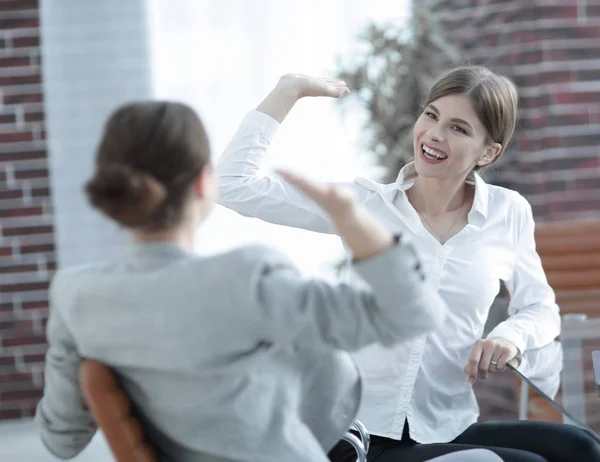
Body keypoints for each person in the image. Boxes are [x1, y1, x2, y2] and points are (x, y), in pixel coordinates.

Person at [34, 100, 505, 462]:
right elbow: (414, 314)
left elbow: (60, 441)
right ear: (204, 184)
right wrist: (354, 222)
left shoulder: (76, 296)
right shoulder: (246, 278)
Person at [216, 68, 600, 462]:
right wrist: (288, 92)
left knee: (582, 448)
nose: (434, 134)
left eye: (458, 128)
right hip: (360, 434)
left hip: (447, 424)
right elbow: (231, 185)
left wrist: (511, 336)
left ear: (488, 153)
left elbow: (541, 308)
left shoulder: (508, 212)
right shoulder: (366, 207)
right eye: (431, 115)